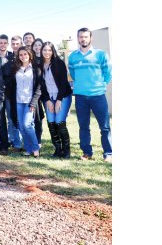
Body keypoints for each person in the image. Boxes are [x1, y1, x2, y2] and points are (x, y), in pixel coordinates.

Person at [68, 27, 112, 162]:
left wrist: (101, 85)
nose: (83, 39)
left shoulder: (100, 54)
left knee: (104, 126)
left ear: (91, 38)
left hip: (98, 95)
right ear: (78, 38)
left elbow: (108, 72)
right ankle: (87, 153)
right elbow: (73, 74)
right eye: (81, 36)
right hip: (81, 96)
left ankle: (109, 153)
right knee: (83, 126)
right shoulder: (73, 56)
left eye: (86, 37)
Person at [39, 41, 73, 158]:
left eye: (49, 50)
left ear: (52, 51)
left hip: (63, 96)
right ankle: (58, 149)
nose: (47, 52)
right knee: (51, 122)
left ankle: (66, 150)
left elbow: (64, 83)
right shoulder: (39, 65)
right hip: (49, 98)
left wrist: (58, 100)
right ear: (41, 51)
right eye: (44, 50)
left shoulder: (59, 63)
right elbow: (41, 85)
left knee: (59, 122)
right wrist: (48, 100)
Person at [13, 47, 43, 158]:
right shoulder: (16, 68)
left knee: (27, 124)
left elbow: (39, 86)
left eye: (25, 54)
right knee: (21, 126)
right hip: (18, 100)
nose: (23, 56)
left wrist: (33, 102)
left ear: (29, 55)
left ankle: (36, 148)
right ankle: (28, 148)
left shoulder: (36, 68)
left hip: (30, 101)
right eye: (20, 55)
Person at [0, 34, 19, 152]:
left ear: (7, 44)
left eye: (5, 43)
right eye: (1, 42)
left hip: (10, 93)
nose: (3, 45)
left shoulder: (13, 57)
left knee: (11, 118)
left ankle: (13, 140)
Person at [30, 37, 46, 143]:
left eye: (39, 45)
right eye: (35, 45)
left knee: (52, 119)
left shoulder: (47, 58)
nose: (37, 47)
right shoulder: (31, 60)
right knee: (37, 119)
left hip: (48, 93)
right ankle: (37, 140)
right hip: (36, 93)